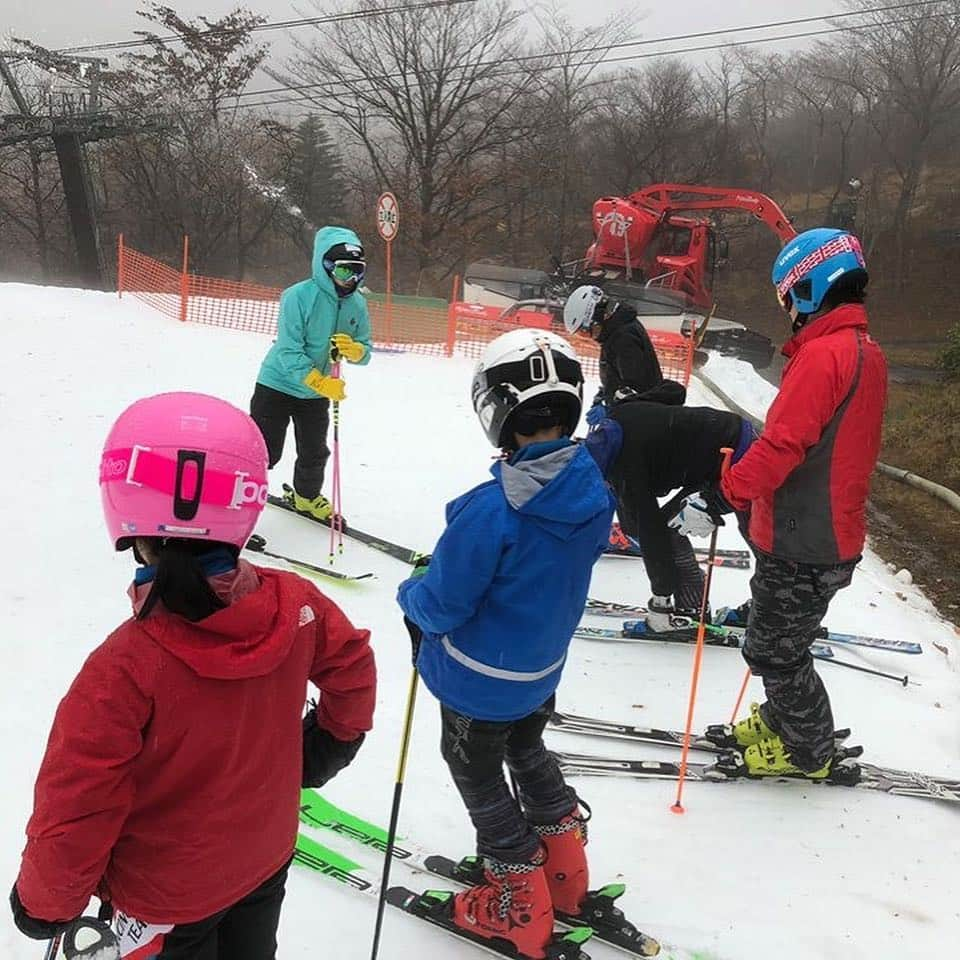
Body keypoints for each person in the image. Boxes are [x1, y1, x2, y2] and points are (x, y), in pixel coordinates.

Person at [10, 392, 376, 959]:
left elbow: (79, 800)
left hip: (162, 899)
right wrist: (332, 740)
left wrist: (47, 903)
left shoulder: (123, 669)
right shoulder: (297, 607)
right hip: (263, 859)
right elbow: (351, 665)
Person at [397, 330, 616, 959]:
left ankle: (518, 898)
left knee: (477, 773)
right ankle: (563, 870)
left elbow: (442, 604)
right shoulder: (593, 492)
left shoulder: (493, 511)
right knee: (526, 747)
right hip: (540, 672)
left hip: (476, 680)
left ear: (498, 412)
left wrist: (411, 591)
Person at [671, 228, 887, 780]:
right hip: (819, 529)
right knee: (782, 639)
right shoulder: (862, 349)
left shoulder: (824, 355)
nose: (787, 308)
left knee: (774, 652)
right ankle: (785, 719)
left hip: (805, 535)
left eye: (787, 295)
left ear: (811, 286)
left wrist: (720, 495)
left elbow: (782, 446)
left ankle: (806, 748)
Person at [583, 381, 757, 629]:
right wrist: (641, 396)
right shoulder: (619, 413)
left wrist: (660, 597)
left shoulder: (626, 470)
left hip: (734, 459)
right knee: (759, 536)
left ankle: (695, 608)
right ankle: (764, 609)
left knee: (671, 529)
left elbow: (650, 532)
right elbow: (675, 390)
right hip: (730, 433)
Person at [251, 226, 371, 521]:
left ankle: (306, 497)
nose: (351, 279)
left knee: (314, 452)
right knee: (265, 450)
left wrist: (355, 350)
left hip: (317, 394)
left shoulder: (357, 304)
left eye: (358, 272)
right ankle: (240, 493)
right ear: (326, 266)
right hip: (277, 384)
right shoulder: (297, 296)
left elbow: (366, 348)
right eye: (344, 271)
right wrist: (319, 381)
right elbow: (288, 350)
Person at [563, 284, 663, 426]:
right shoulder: (616, 330)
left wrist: (609, 409)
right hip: (630, 415)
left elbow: (637, 388)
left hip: (642, 421)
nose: (589, 337)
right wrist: (604, 393)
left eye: (585, 331)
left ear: (597, 318)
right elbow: (618, 374)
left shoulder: (624, 338)